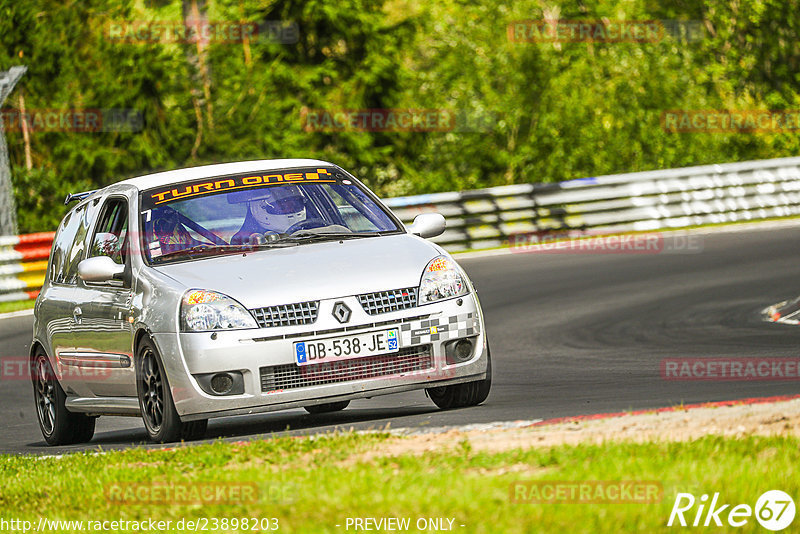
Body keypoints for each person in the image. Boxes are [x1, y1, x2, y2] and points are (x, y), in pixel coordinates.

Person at [232, 185, 308, 244]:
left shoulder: (312, 230)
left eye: (296, 205)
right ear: (259, 209)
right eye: (283, 207)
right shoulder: (242, 241)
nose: (292, 210)